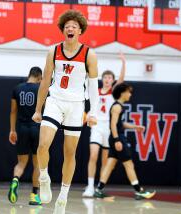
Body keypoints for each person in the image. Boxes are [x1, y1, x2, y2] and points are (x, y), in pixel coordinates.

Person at [32, 10, 99, 214]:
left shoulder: (89, 54)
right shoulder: (53, 51)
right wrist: (37, 109)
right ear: (63, 30)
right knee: (43, 145)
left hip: (76, 105)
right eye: (67, 26)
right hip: (55, 101)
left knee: (69, 153)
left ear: (80, 30)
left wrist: (93, 112)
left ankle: (63, 196)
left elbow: (93, 86)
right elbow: (45, 81)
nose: (70, 29)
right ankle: (44, 177)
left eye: (74, 26)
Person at [93, 83, 155, 200]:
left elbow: (119, 124)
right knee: (129, 164)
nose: (130, 94)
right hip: (118, 138)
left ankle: (98, 190)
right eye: (129, 92)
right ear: (123, 93)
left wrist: (135, 127)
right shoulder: (117, 107)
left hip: (114, 137)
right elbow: (113, 125)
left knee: (110, 164)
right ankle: (139, 191)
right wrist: (117, 140)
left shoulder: (118, 106)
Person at [83, 53, 126, 197]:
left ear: (113, 81)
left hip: (108, 128)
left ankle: (98, 188)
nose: (107, 80)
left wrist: (123, 62)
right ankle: (89, 186)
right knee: (93, 155)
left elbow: (121, 79)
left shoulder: (114, 92)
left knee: (105, 160)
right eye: (105, 77)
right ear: (102, 79)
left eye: (110, 78)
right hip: (96, 126)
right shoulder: (95, 90)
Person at [8, 67, 43, 206]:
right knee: (37, 165)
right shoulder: (41, 89)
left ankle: (15, 180)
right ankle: (34, 196)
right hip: (36, 129)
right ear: (39, 77)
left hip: (21, 129)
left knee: (21, 163)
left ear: (29, 75)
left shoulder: (17, 88)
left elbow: (13, 111)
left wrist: (12, 130)